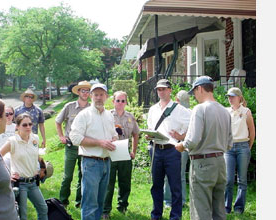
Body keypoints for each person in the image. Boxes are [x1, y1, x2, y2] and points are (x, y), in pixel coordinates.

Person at [175, 76, 233, 220]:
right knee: (219, 209)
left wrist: (181, 146)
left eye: (194, 92)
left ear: (200, 89)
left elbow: (193, 139)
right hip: (220, 162)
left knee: (201, 210)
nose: (194, 96)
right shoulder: (226, 111)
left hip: (202, 164)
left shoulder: (199, 109)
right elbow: (230, 143)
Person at [69, 83, 118, 220]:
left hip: (106, 162)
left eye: (101, 94)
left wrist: (114, 139)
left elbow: (113, 133)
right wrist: (99, 142)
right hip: (91, 163)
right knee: (90, 203)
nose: (98, 98)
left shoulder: (109, 115)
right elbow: (74, 138)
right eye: (95, 94)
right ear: (91, 96)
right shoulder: (84, 115)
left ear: (106, 97)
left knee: (100, 202)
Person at [146, 79, 191, 220]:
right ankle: (156, 215)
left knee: (175, 185)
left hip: (173, 150)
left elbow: (194, 127)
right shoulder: (153, 109)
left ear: (170, 90)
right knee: (156, 185)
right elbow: (151, 128)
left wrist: (181, 136)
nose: (161, 91)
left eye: (164, 89)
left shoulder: (180, 109)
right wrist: (149, 135)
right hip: (156, 149)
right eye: (159, 89)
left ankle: (175, 216)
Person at [0, 113, 48, 220]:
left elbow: (36, 155)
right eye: (24, 125)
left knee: (43, 209)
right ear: (17, 126)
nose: (28, 127)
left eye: (30, 124)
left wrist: (43, 168)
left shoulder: (35, 138)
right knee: (23, 216)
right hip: (20, 184)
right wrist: (8, 174)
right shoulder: (12, 141)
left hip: (33, 182)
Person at [102, 91, 140, 219]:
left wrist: (133, 151)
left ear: (126, 102)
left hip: (125, 152)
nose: (120, 103)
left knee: (125, 182)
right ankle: (105, 210)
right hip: (110, 152)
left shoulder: (130, 117)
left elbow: (136, 133)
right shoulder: (107, 116)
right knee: (109, 183)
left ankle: (122, 206)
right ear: (113, 102)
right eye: (118, 100)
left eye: (123, 101)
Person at [56, 80, 91, 208]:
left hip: (85, 146)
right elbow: (58, 121)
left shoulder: (91, 108)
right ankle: (63, 202)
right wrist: (61, 136)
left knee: (83, 176)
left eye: (88, 91)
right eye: (83, 90)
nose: (86, 93)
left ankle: (80, 201)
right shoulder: (69, 106)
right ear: (78, 92)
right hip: (71, 146)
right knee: (67, 176)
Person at [224, 87, 255, 214]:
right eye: (228, 97)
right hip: (229, 148)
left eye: (232, 96)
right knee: (228, 179)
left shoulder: (246, 112)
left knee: (242, 180)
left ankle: (238, 208)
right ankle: (226, 208)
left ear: (239, 98)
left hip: (243, 147)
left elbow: (252, 132)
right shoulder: (226, 112)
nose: (230, 99)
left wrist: (248, 147)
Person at [163, 90, 191, 209]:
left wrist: (180, 137)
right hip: (175, 145)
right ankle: (178, 200)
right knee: (179, 174)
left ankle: (173, 200)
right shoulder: (185, 111)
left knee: (174, 175)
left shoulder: (187, 112)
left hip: (180, 146)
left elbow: (191, 132)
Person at [0, 106, 16, 170]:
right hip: (0, 159)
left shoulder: (18, 127)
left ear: (13, 115)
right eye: (6, 114)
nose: (8, 116)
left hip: (14, 160)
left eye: (11, 114)